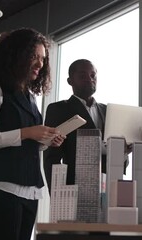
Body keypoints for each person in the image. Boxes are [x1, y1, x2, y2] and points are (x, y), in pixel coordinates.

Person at [0, 28, 65, 240]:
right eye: (34, 57)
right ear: (16, 55)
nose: (40, 64)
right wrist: (27, 132)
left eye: (42, 59)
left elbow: (27, 140)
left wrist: (46, 141)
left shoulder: (30, 98)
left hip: (29, 193)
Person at [43, 59, 107, 191]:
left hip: (107, 186)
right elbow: (51, 156)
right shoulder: (58, 109)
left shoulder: (108, 111)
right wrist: (56, 194)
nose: (89, 79)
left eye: (93, 75)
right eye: (82, 76)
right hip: (74, 187)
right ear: (70, 81)